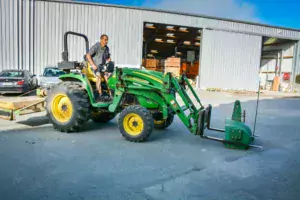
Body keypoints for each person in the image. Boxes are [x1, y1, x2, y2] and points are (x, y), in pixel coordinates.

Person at [86, 34, 111, 98]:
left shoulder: (107, 48)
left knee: (108, 77)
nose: (106, 41)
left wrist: (110, 63)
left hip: (102, 67)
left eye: (107, 40)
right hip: (94, 66)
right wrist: (93, 65)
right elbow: (88, 55)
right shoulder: (96, 46)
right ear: (101, 40)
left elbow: (108, 58)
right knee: (99, 76)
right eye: (105, 40)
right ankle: (100, 94)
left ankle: (111, 93)